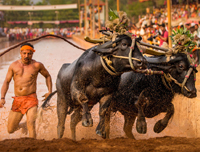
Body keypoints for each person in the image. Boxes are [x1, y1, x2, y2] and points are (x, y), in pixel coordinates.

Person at [0, 42, 52, 138]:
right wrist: (2, 97)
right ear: (20, 53)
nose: (26, 56)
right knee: (10, 129)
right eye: (24, 53)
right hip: (18, 100)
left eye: (29, 53)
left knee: (31, 124)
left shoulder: (37, 65)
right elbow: (6, 82)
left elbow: (47, 76)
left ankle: (33, 146)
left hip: (31, 99)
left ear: (32, 54)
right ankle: (23, 125)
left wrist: (49, 91)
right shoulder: (13, 65)